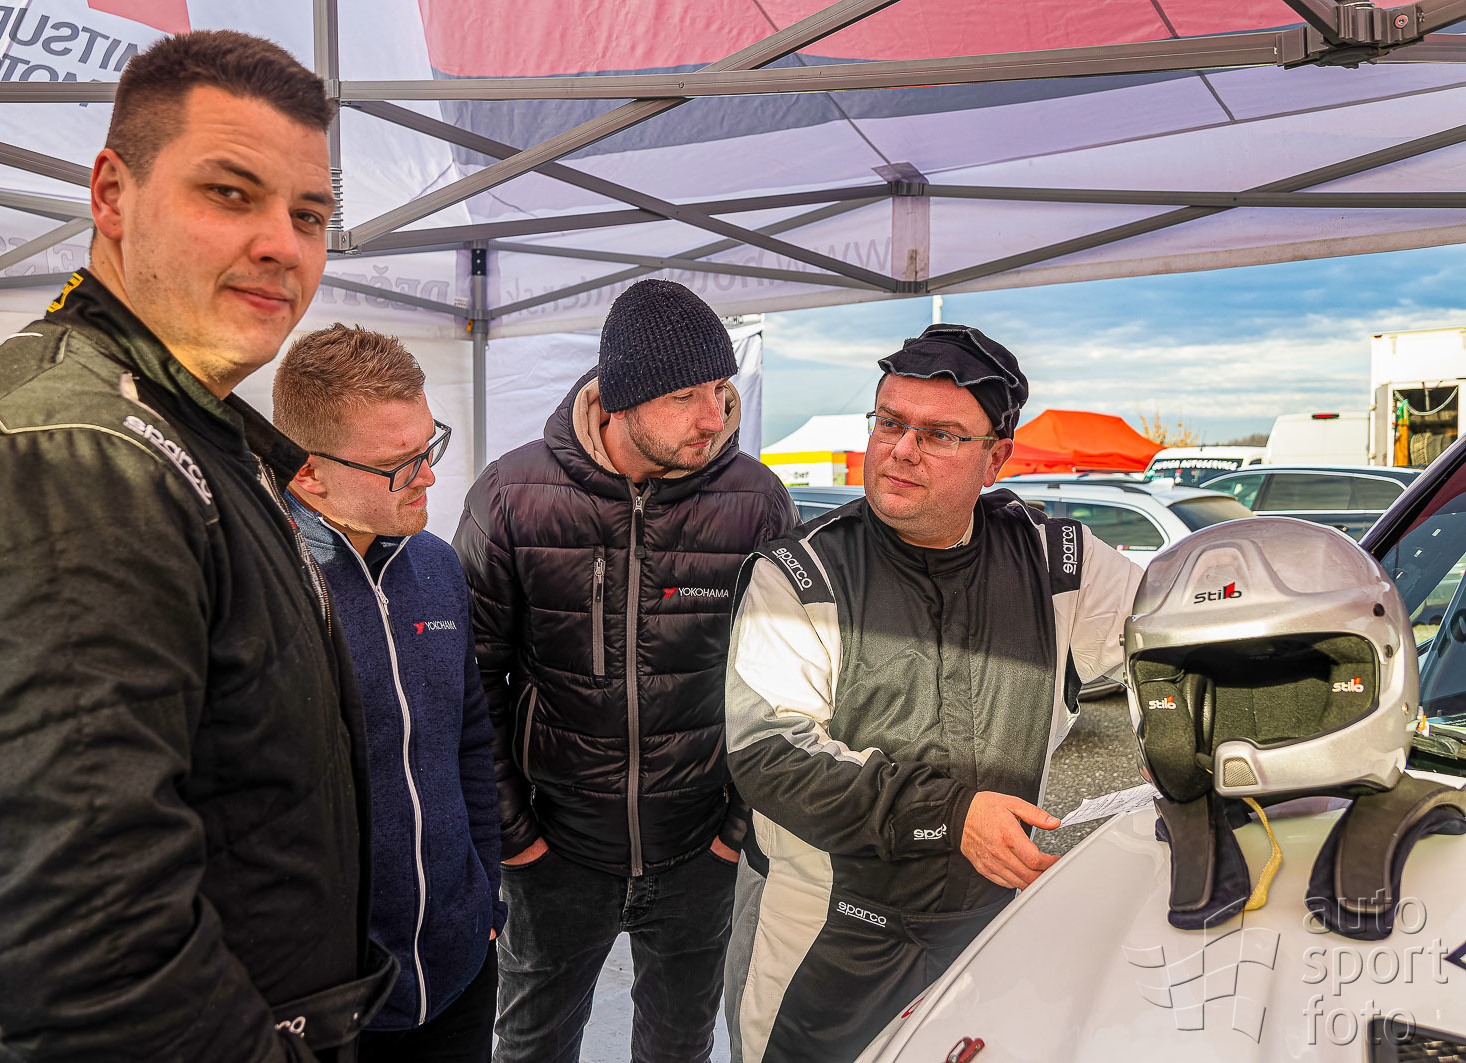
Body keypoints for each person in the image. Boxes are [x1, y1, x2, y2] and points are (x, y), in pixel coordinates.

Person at [0, 31, 395, 1063]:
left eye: (309, 214)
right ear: (112, 195)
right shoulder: (70, 459)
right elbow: (86, 953)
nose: (284, 245)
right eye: (230, 194)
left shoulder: (180, 427)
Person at [722, 324, 1144, 1063]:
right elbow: (770, 756)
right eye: (889, 423)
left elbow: (1179, 637)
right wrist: (952, 816)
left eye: (940, 434)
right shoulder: (799, 575)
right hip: (825, 936)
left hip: (988, 931)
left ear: (996, 458)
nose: (901, 450)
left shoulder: (1058, 564)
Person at [453, 279, 797, 1063]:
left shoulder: (755, 501)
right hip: (555, 850)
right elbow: (471, 683)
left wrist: (734, 832)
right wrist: (515, 837)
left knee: (679, 1046)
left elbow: (785, 686)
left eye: (719, 388)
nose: (713, 415)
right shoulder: (511, 496)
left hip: (698, 852)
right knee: (532, 1044)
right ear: (616, 399)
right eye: (684, 396)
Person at [274, 324, 505, 1063]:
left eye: (428, 446)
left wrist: (486, 894)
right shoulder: (259, 588)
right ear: (308, 474)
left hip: (460, 964)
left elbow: (469, 738)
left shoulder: (436, 565)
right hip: (330, 1000)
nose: (427, 477)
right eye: (397, 465)